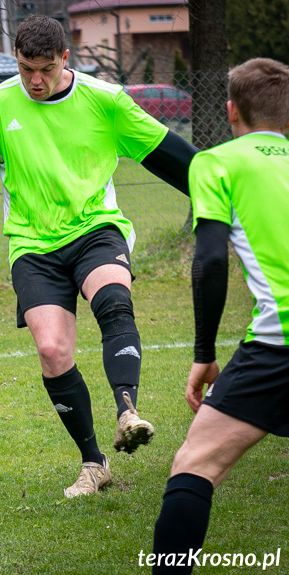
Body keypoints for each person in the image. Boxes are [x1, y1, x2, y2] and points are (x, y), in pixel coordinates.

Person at [0, 15, 197, 497]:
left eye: (47, 69)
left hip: (96, 229)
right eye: (26, 68)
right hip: (33, 246)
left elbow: (168, 154)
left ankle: (128, 412)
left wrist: (217, 193)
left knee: (114, 301)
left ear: (65, 59)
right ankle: (94, 464)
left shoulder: (104, 100)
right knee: (52, 350)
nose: (36, 80)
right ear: (15, 57)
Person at [150, 57, 289, 573]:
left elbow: (209, 262)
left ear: (230, 110)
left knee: (196, 464)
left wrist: (204, 355)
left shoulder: (216, 162)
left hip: (279, 342)